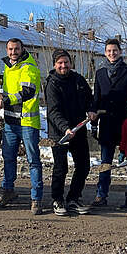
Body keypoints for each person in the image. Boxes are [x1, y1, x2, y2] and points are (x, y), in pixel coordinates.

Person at [0, 38, 44, 215]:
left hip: (27, 122)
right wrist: (0, 95)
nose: (13, 52)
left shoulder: (28, 67)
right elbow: (10, 90)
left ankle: (36, 198)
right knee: (8, 158)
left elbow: (27, 92)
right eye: (10, 49)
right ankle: (7, 191)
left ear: (22, 49)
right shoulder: (8, 67)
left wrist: (6, 100)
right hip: (10, 121)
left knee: (33, 161)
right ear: (6, 50)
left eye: (16, 49)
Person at [45, 49, 92, 216]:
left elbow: (89, 99)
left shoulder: (78, 80)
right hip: (60, 133)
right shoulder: (52, 84)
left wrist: (91, 110)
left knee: (83, 166)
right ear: (55, 65)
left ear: (70, 63)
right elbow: (53, 111)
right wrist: (65, 127)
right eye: (60, 63)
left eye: (66, 62)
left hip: (78, 130)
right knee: (61, 168)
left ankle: (73, 198)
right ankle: (57, 199)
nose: (63, 65)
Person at [89, 38, 127, 207]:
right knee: (105, 161)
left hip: (126, 122)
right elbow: (97, 98)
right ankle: (101, 195)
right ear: (105, 53)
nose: (112, 53)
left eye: (115, 50)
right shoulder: (100, 72)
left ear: (120, 52)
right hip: (107, 121)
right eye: (109, 51)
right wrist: (93, 120)